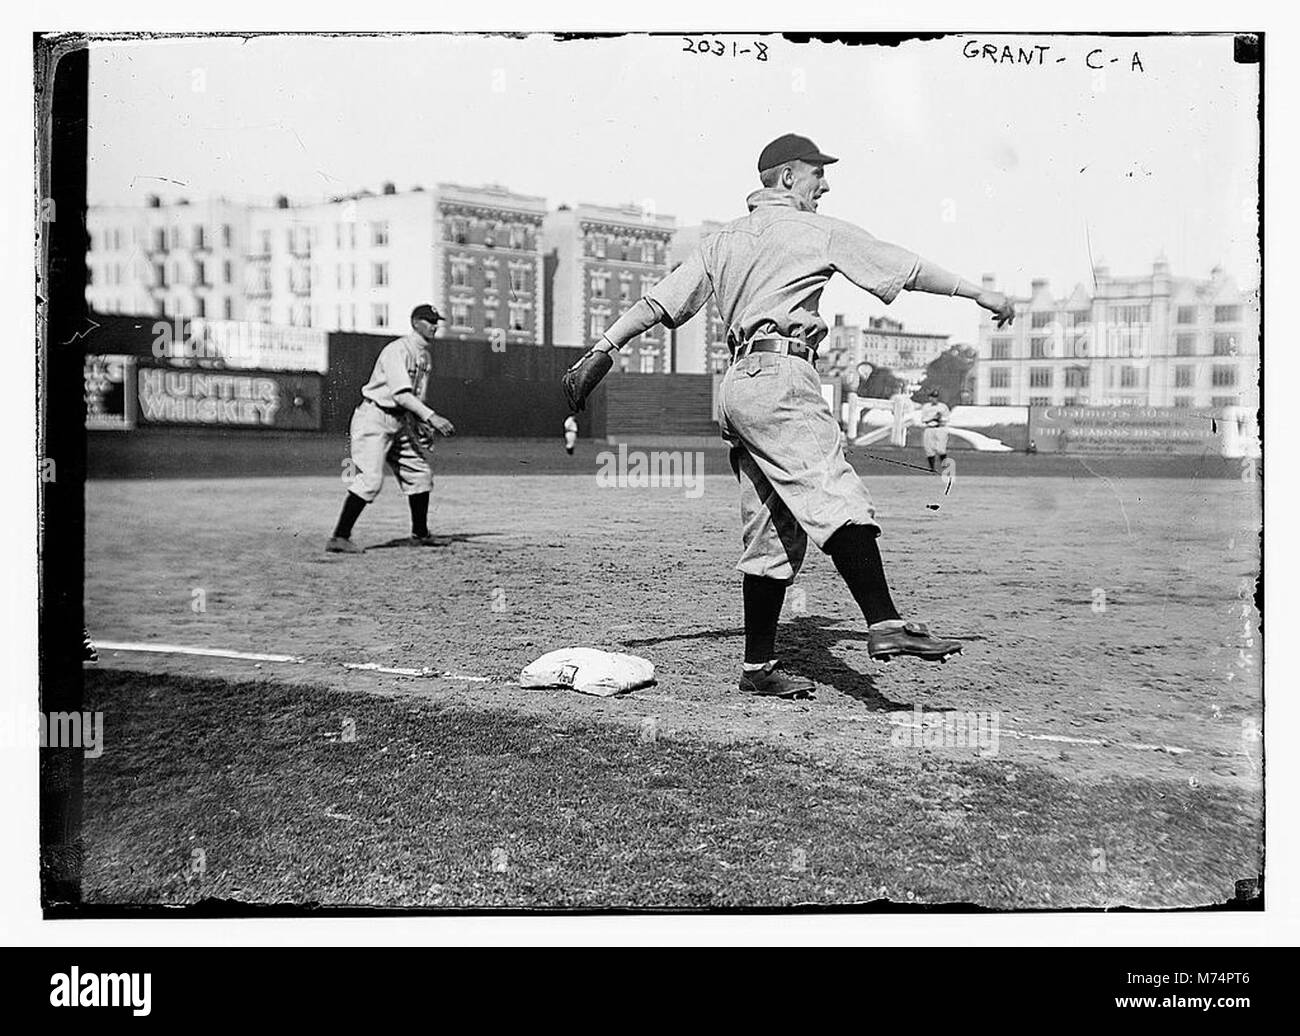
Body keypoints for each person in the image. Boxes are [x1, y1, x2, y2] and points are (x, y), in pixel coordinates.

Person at [563, 133, 1015, 698]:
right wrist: (980, 295)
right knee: (834, 491)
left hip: (737, 388)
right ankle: (885, 622)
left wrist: (602, 348)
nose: (824, 185)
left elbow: (659, 302)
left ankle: (757, 669)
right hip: (782, 379)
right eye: (816, 175)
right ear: (785, 180)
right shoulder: (812, 229)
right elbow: (905, 266)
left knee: (772, 528)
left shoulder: (720, 241)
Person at [326, 304, 455, 554]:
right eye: (429, 321)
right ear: (415, 322)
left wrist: (420, 426)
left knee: (419, 473)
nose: (435, 325)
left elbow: (415, 396)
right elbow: (401, 395)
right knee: (370, 480)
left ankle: (420, 534)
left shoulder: (424, 355)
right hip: (374, 417)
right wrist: (432, 417)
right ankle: (339, 537)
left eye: (436, 321)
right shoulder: (397, 350)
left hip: (400, 421)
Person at [919, 388, 952, 473]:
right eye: (932, 397)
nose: (933, 399)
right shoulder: (926, 407)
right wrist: (933, 417)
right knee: (929, 449)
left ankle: (946, 469)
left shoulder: (943, 406)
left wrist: (939, 418)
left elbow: (947, 418)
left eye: (935, 397)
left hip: (940, 428)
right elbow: (924, 419)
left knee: (941, 449)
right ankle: (932, 469)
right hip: (929, 428)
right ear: (929, 398)